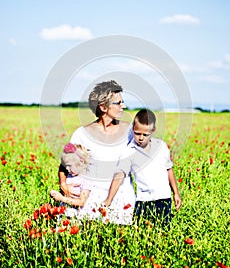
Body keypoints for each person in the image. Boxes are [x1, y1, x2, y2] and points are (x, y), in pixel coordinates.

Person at [58, 80, 136, 224]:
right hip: (88, 200)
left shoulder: (131, 131)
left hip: (121, 199)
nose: (123, 106)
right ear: (103, 107)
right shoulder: (82, 134)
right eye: (118, 103)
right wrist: (63, 184)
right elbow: (65, 164)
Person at [103, 108, 182, 228]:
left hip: (164, 198)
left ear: (153, 131)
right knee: (142, 234)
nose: (141, 138)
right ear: (133, 129)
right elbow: (119, 176)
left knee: (164, 232)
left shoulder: (161, 147)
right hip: (144, 201)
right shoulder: (129, 152)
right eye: (137, 133)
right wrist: (108, 200)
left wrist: (176, 193)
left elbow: (168, 169)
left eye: (145, 135)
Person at [50, 142, 92, 218]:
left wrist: (62, 198)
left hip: (76, 217)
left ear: (81, 162)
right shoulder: (70, 176)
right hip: (64, 214)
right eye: (66, 166)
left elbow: (82, 202)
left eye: (69, 166)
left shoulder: (86, 181)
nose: (66, 169)